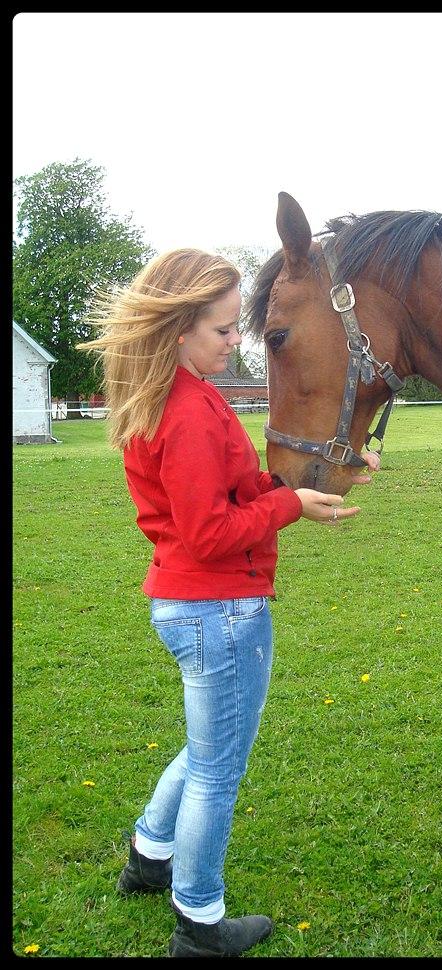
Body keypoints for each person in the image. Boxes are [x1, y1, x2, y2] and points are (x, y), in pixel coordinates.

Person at [77, 248, 379, 957]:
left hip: (200, 606)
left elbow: (240, 489)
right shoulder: (184, 413)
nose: (233, 341)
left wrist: (322, 482)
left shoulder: (191, 395)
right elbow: (211, 532)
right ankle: (200, 922)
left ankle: (151, 855)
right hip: (220, 610)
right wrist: (290, 508)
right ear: (178, 330)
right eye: (220, 330)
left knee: (209, 748)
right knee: (220, 767)